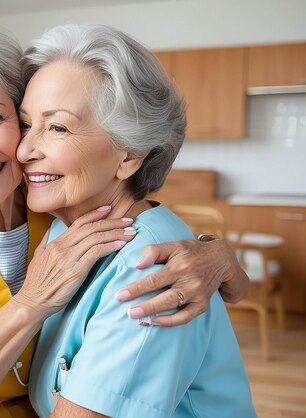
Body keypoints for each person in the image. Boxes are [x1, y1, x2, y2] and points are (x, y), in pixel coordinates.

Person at [0, 19, 251, 418]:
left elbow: (148, 230)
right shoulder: (49, 205)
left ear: (129, 156)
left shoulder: (67, 213)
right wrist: (33, 301)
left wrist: (218, 258)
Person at [17, 24, 255, 417]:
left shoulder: (150, 274)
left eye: (57, 127)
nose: (25, 149)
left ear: (129, 155)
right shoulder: (65, 221)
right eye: (26, 123)